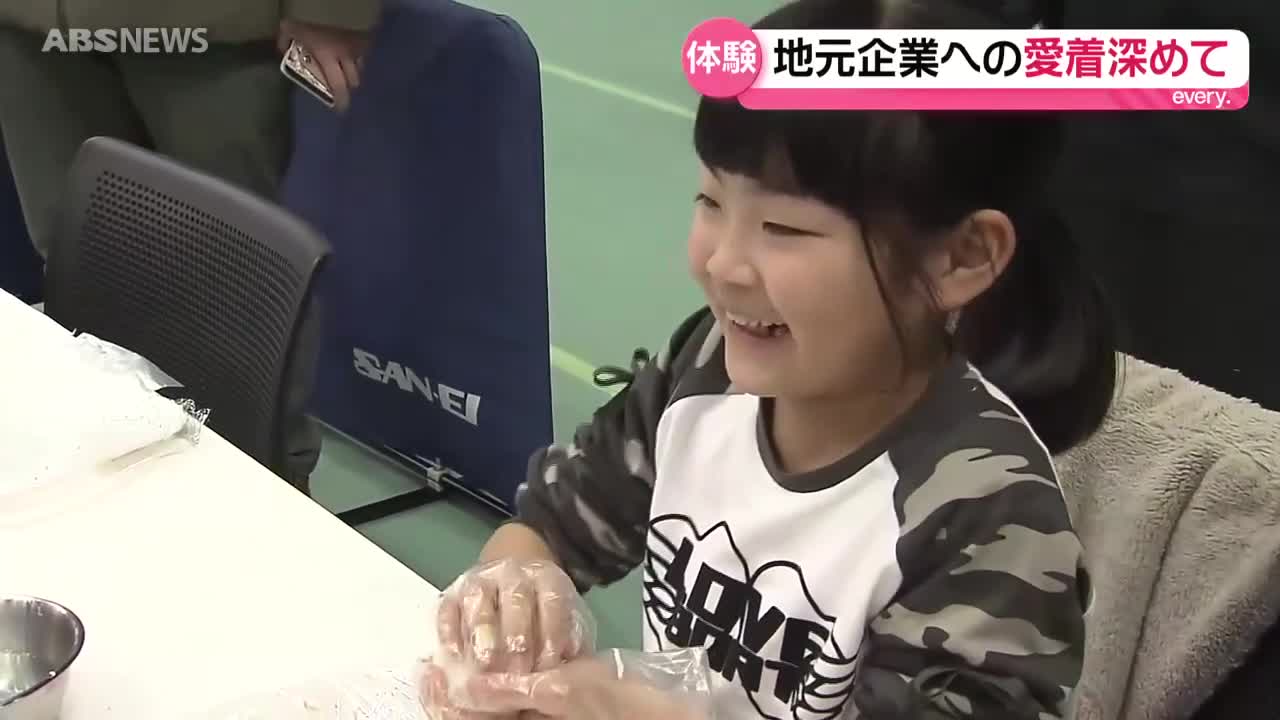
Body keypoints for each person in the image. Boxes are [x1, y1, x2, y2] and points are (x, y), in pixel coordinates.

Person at [420, 0, 1118, 716]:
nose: (723, 264)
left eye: (784, 227)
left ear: (962, 257)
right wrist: (514, 591)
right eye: (710, 200)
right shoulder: (706, 368)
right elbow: (552, 524)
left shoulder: (984, 515)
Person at [0, 0, 376, 491]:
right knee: (78, 268)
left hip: (210, 30)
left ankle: (267, 500)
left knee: (238, 281)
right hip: (27, 27)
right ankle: (109, 495)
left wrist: (334, 11)